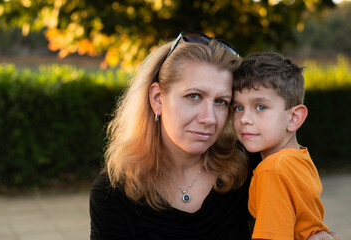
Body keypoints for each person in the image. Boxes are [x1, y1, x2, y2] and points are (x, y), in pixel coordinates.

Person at [90, 31, 340, 240]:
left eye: (221, 101)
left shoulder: (253, 166)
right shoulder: (112, 193)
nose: (209, 118)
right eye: (194, 96)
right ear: (157, 98)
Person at [232, 52, 329, 239]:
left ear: (294, 117)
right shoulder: (300, 159)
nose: (244, 119)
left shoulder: (272, 170)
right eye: (238, 107)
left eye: (260, 106)